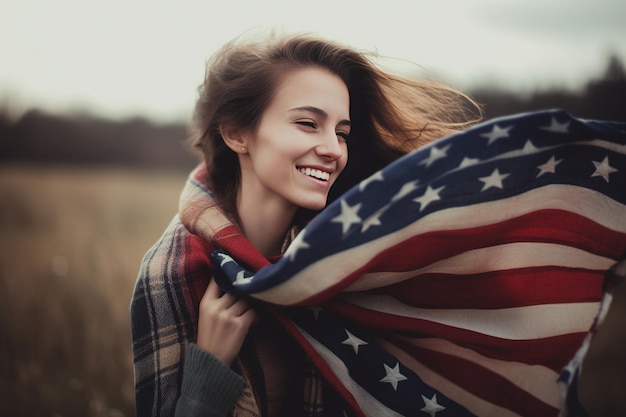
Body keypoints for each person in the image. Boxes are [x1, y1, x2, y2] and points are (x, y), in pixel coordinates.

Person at [130, 32, 481, 417]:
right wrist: (210, 366)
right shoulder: (171, 273)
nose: (333, 148)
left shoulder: (352, 253)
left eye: (341, 133)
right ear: (236, 133)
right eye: (308, 123)